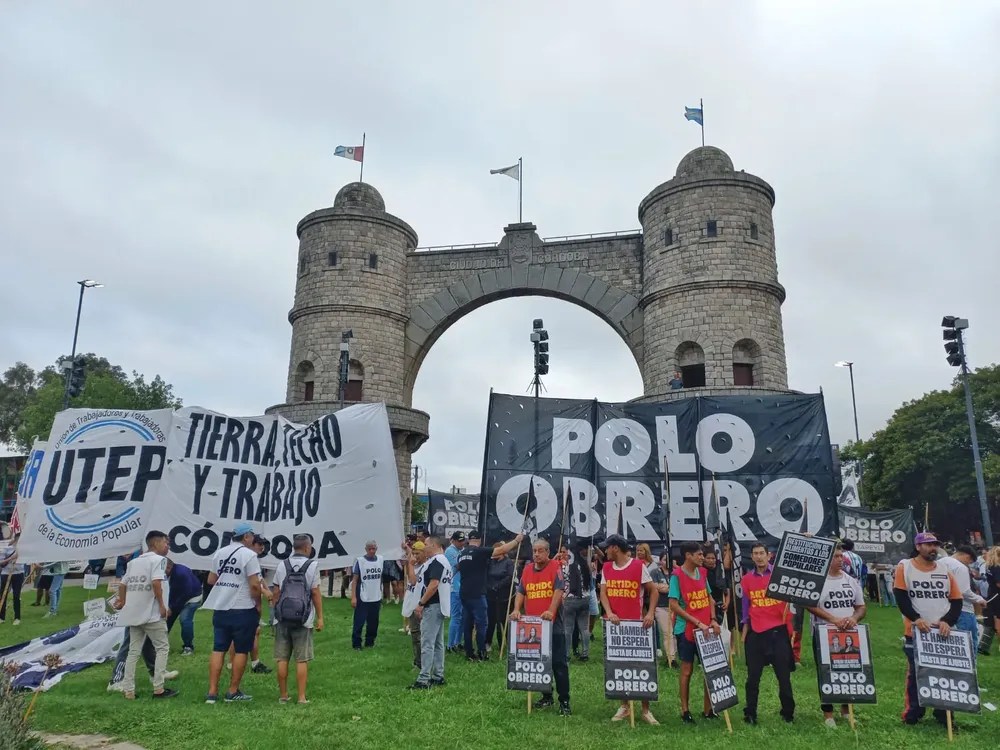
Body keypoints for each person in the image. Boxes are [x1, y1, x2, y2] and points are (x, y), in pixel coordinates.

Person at [893, 531, 963, 727]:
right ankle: (913, 713)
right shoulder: (905, 567)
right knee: (917, 674)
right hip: (916, 632)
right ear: (918, 547)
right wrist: (916, 619)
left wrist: (947, 621)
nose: (933, 548)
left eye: (935, 545)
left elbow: (956, 600)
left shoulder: (944, 569)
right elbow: (901, 597)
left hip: (942, 632)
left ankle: (944, 714)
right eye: (928, 544)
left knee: (945, 673)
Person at [599, 534, 659, 725]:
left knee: (642, 666)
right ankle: (624, 706)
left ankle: (645, 709)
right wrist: (609, 612)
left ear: (615, 548)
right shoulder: (606, 568)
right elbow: (603, 593)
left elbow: (653, 590)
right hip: (616, 626)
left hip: (637, 625)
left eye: (607, 548)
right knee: (619, 664)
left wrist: (650, 613)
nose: (605, 551)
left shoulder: (638, 566)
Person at [509, 538, 572, 716]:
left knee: (559, 664)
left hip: (553, 625)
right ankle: (546, 696)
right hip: (533, 625)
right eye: (534, 550)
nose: (536, 554)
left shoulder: (554, 567)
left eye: (540, 551)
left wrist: (550, 611)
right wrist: (516, 610)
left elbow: (558, 591)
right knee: (539, 663)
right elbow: (521, 591)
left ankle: (564, 701)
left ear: (547, 552)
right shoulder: (528, 569)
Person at [202, 522, 263, 703]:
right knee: (242, 650)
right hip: (243, 607)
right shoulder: (249, 555)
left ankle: (212, 692)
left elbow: (211, 579)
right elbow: (254, 584)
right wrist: (257, 603)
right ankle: (233, 691)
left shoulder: (220, 553)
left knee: (218, 648)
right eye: (252, 535)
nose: (253, 538)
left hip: (221, 607)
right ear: (246, 537)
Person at [807, 544, 866, 727]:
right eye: (836, 556)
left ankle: (846, 710)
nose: (841, 559)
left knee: (848, 671)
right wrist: (833, 619)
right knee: (826, 673)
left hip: (848, 633)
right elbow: (809, 604)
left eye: (841, 556)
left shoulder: (850, 580)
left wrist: (854, 618)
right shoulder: (817, 580)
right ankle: (828, 714)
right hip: (824, 633)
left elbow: (861, 606)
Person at [113, 530, 177, 700]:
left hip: (134, 613)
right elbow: (156, 582)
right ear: (156, 544)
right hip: (152, 613)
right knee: (162, 648)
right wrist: (163, 605)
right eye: (166, 543)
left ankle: (129, 690)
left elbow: (122, 584)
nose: (168, 547)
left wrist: (123, 602)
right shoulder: (159, 560)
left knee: (134, 651)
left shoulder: (133, 562)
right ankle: (158, 688)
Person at [741, 542, 795, 725]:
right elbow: (745, 607)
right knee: (753, 678)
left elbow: (800, 572)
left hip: (778, 632)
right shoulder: (747, 579)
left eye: (761, 553)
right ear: (752, 556)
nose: (758, 556)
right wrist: (744, 631)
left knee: (784, 676)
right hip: (756, 633)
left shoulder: (780, 576)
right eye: (755, 553)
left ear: (769, 555)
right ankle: (750, 713)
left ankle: (788, 712)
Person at [668, 541, 720, 723]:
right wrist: (697, 621)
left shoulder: (703, 573)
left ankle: (708, 709)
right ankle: (685, 710)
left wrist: (713, 619)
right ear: (688, 556)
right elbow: (673, 604)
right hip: (686, 629)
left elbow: (709, 598)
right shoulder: (676, 576)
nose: (702, 557)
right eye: (698, 554)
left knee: (709, 668)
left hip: (706, 629)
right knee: (687, 670)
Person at [271, 533, 323, 704]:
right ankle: (301, 697)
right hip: (304, 617)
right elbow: (315, 592)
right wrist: (320, 617)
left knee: (282, 658)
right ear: (307, 547)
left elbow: (276, 592)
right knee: (302, 659)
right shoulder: (312, 565)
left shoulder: (282, 565)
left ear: (294, 547)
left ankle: (283, 695)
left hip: (283, 617)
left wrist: (276, 612)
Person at [457, 530, 523, 661]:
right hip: (478, 594)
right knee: (482, 624)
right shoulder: (480, 551)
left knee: (467, 623)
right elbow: (501, 549)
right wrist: (516, 540)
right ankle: (482, 652)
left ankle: (469, 652)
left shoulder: (461, 553)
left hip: (464, 592)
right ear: (480, 540)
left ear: (468, 540)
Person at [409, 536, 453, 690]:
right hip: (439, 605)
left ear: (434, 545)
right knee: (438, 643)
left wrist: (421, 603)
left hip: (432, 605)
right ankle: (438, 675)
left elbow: (433, 585)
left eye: (426, 545)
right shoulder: (444, 561)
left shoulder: (437, 561)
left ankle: (423, 678)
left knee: (427, 642)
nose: (424, 547)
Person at [939, 544, 987, 654]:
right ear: (967, 557)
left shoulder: (939, 562)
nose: (969, 564)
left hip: (945, 608)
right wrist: (979, 599)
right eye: (969, 562)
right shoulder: (960, 567)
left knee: (952, 644)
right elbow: (964, 591)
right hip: (964, 609)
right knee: (968, 645)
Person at [351, 539, 384, 650]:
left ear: (376, 548)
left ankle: (370, 642)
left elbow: (380, 578)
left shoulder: (380, 559)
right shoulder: (360, 561)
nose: (371, 551)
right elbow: (355, 580)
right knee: (359, 621)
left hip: (376, 596)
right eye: (369, 549)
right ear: (366, 549)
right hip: (363, 596)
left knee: (373, 622)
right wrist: (353, 597)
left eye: (373, 548)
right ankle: (356, 644)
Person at [563, 539, 593, 662]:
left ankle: (566, 654)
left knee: (568, 629)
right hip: (585, 598)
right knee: (584, 628)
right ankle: (585, 653)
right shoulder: (586, 564)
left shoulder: (566, 566)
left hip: (570, 599)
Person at [166, 560, 203, 656]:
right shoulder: (174, 571)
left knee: (185, 619)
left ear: (168, 567)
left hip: (192, 597)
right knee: (166, 619)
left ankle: (188, 646)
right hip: (178, 597)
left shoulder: (180, 574)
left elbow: (185, 593)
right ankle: (159, 644)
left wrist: (171, 607)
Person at [485, 541, 515, 654]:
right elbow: (486, 574)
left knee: (502, 621)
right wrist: (489, 586)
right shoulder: (490, 562)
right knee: (490, 619)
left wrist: (498, 586)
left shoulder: (508, 563)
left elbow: (510, 577)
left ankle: (504, 642)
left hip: (503, 596)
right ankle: (487, 642)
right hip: (490, 594)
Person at [402, 540, 427, 668]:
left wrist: (410, 565)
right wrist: (407, 549)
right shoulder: (416, 564)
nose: (415, 556)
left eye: (418, 553)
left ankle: (420, 663)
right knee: (415, 634)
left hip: (419, 604)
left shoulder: (424, 566)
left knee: (418, 635)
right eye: (414, 553)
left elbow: (413, 581)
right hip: (411, 601)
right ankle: (418, 660)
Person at [444, 532, 465, 653]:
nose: (462, 543)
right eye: (460, 541)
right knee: (456, 616)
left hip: (462, 586)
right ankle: (450, 644)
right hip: (454, 587)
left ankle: (458, 642)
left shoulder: (462, 550)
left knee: (462, 617)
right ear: (453, 541)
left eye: (463, 541)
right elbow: (459, 565)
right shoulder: (450, 551)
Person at [981, 545, 1000, 656]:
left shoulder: (989, 566)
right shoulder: (997, 567)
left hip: (992, 594)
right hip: (997, 595)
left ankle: (985, 645)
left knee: (993, 621)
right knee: (998, 619)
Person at [0, 544, 24, 625]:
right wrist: (11, 558)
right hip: (6, 573)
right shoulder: (6, 548)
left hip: (18, 573)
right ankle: (1, 617)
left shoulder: (23, 548)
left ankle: (17, 618)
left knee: (16, 595)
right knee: (3, 595)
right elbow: (1, 563)